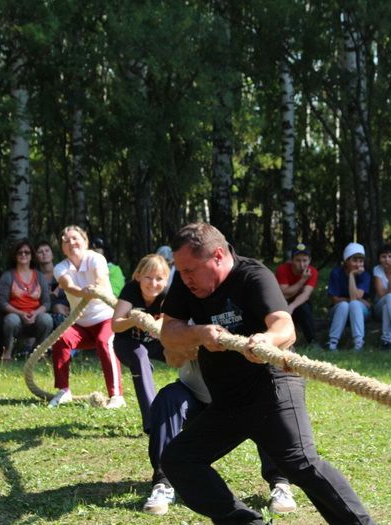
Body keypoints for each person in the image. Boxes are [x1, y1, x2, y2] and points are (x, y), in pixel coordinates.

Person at [159, 222, 375, 525]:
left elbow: (284, 326)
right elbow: (169, 333)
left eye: (190, 270)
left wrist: (266, 340)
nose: (185, 279)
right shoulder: (187, 279)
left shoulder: (253, 276)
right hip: (226, 400)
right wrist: (198, 333)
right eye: (180, 272)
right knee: (179, 460)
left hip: (270, 388)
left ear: (218, 256)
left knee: (300, 464)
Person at [144, 348, 297, 517]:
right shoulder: (185, 320)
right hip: (196, 397)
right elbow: (171, 354)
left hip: (240, 400)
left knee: (266, 401)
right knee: (169, 397)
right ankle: (163, 483)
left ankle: (280, 483)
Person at [49, 225, 125, 409]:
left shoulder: (96, 258)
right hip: (80, 323)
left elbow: (99, 277)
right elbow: (67, 285)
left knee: (104, 342)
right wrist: (82, 292)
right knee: (61, 340)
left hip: (106, 318)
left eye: (75, 238)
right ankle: (63, 391)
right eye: (66, 241)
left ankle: (116, 396)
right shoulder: (61, 267)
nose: (71, 243)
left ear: (85, 241)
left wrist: (95, 287)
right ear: (62, 248)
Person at [111, 254, 169, 431]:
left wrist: (155, 324)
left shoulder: (167, 294)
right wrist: (134, 321)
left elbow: (167, 321)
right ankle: (152, 422)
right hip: (127, 342)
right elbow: (115, 324)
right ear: (138, 276)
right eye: (148, 277)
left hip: (154, 341)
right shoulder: (131, 290)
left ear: (166, 280)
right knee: (140, 356)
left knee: (188, 353)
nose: (153, 283)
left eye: (159, 279)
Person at [0, 240, 53, 362]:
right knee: (12, 320)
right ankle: (7, 353)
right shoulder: (8, 275)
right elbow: (1, 302)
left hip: (35, 317)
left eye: (27, 252)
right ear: (15, 256)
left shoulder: (39, 276)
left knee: (47, 319)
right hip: (15, 318)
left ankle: (37, 353)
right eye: (20, 252)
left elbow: (46, 302)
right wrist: (21, 313)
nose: (23, 255)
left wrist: (35, 313)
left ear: (32, 256)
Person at [326, 242, 372, 351]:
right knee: (344, 305)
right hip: (339, 311)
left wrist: (351, 277)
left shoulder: (365, 275)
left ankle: (358, 343)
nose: (358, 264)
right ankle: (333, 343)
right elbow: (335, 299)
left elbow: (355, 298)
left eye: (360, 261)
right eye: (354, 260)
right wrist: (358, 300)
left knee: (354, 304)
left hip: (359, 312)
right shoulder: (336, 273)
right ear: (346, 261)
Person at [274, 242, 317, 345]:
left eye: (305, 260)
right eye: (298, 260)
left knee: (304, 308)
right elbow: (283, 292)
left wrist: (292, 306)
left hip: (298, 303)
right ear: (292, 260)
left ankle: (312, 341)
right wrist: (302, 280)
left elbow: (306, 295)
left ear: (309, 260)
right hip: (283, 301)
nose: (302, 264)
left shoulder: (312, 271)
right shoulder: (282, 269)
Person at [35, 241, 71, 324]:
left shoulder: (62, 271)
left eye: (47, 250)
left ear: (52, 254)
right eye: (40, 252)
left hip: (69, 312)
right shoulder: (35, 277)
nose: (44, 253)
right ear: (36, 257)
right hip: (45, 315)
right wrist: (53, 307)